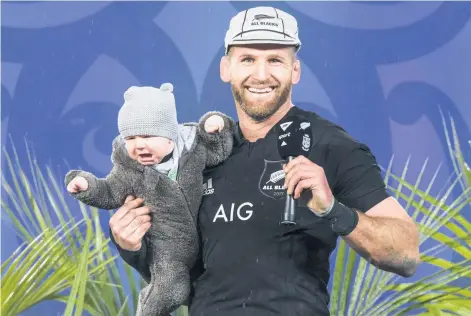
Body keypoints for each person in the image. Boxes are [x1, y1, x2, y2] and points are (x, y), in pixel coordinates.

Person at [108, 7, 421, 316]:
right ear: (225, 68)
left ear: (294, 70)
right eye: (247, 59)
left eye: (274, 60)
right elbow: (185, 275)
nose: (260, 75)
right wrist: (133, 246)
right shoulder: (199, 152)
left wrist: (332, 210)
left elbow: (406, 254)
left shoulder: (331, 146)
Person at [65, 83, 235, 316]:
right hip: (168, 252)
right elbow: (109, 192)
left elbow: (219, 151)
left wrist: (214, 127)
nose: (139, 145)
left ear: (170, 136)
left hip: (210, 245)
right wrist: (86, 185)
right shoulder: (129, 171)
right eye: (131, 138)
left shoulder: (193, 148)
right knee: (170, 291)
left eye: (147, 135)